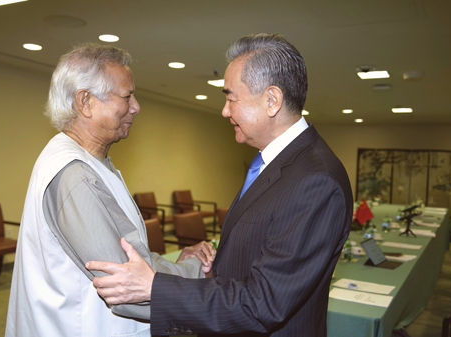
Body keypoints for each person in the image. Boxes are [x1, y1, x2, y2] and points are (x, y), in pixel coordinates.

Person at [86, 33, 353, 336]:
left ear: (271, 100)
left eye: (231, 97)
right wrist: (213, 262)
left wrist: (154, 286)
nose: (225, 110)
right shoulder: (277, 164)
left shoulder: (315, 181)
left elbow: (262, 304)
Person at [5, 43, 215, 337]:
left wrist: (177, 262)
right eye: (127, 96)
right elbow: (126, 283)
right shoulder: (73, 174)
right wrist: (199, 270)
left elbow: (130, 253)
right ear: (86, 102)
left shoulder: (93, 165)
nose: (136, 106)